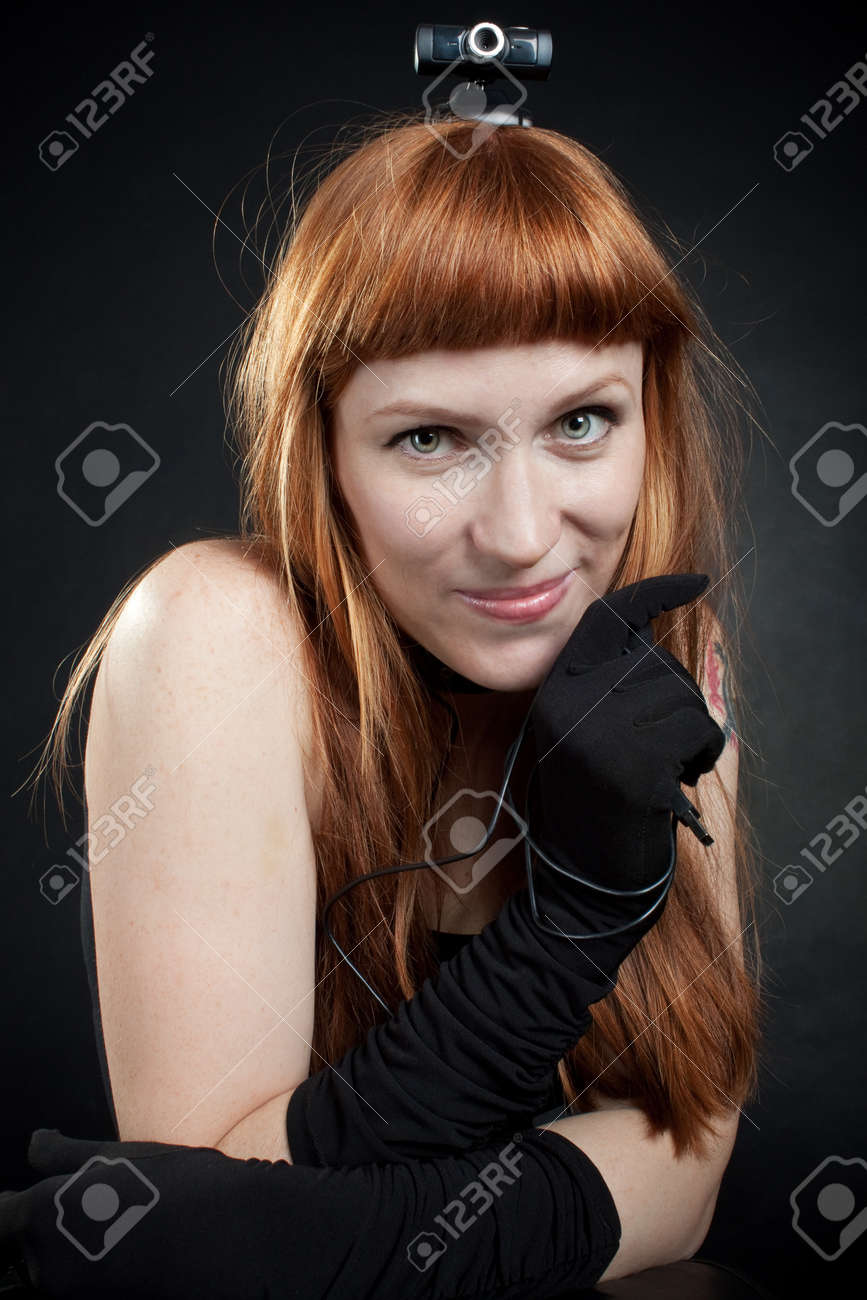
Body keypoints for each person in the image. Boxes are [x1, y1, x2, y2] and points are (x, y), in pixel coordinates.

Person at [7, 111, 766, 1297]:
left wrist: (309, 1237)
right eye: (428, 439)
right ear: (323, 453)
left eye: (581, 422)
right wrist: (573, 926)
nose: (522, 535)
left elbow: (682, 1169)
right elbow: (198, 1215)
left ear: (649, 413)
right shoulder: (218, 632)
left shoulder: (669, 656)